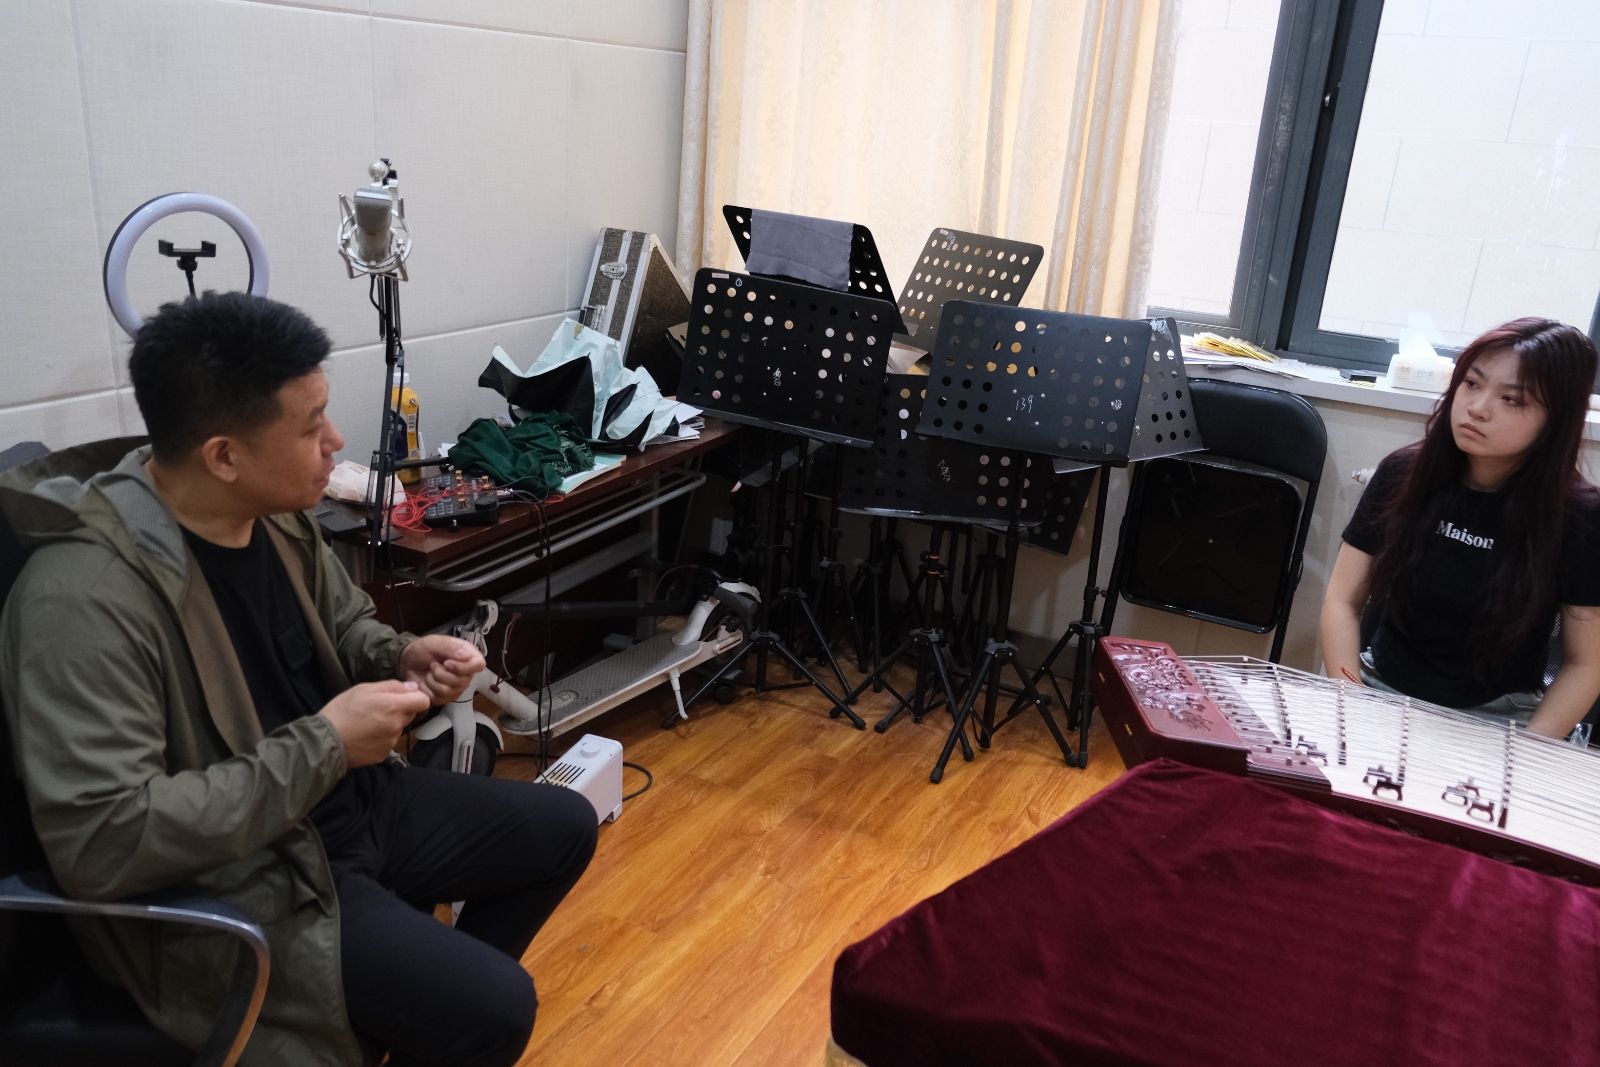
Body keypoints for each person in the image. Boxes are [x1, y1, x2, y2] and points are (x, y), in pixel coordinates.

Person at [0, 292, 597, 1065]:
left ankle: (418, 1018)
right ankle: (432, 1013)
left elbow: (344, 624)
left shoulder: (271, 514)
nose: (336, 442)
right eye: (311, 425)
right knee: (495, 1006)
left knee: (562, 827)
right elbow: (104, 840)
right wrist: (325, 744)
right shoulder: (83, 601)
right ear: (224, 455)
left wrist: (402, 656)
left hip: (342, 806)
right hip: (249, 871)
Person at [1320, 317, 1600, 739]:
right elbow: (1342, 601)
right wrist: (1349, 698)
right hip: (1376, 690)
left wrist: (1526, 752)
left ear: (1555, 420)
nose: (1478, 408)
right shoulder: (1403, 474)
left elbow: (1586, 663)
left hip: (1501, 719)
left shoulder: (1580, 517)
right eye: (1471, 383)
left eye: (1512, 400)